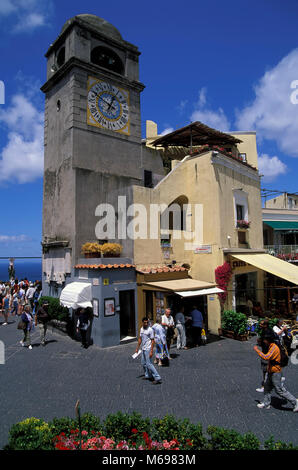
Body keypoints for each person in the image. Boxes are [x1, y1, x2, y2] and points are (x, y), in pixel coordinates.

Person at [254, 332, 298, 412]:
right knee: (267, 387)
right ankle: (266, 403)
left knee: (279, 390)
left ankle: (295, 402)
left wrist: (257, 350)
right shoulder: (271, 346)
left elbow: (266, 357)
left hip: (276, 371)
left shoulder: (274, 348)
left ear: (268, 340)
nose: (264, 341)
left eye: (265, 340)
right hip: (271, 370)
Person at [135, 317, 162, 384]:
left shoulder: (150, 330)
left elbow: (152, 341)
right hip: (143, 348)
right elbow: (140, 339)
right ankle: (148, 375)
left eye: (147, 322)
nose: (146, 323)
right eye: (145, 322)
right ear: (142, 322)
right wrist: (137, 348)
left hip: (148, 348)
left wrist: (151, 351)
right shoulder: (141, 329)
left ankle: (157, 377)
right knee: (143, 363)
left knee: (149, 364)